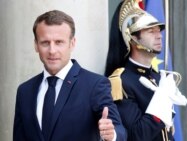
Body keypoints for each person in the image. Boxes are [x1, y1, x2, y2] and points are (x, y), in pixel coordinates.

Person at [13, 10, 127, 141]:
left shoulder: (95, 85)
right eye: (45, 43)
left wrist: (112, 135)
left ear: (72, 43)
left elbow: (119, 130)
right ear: (36, 45)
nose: (52, 51)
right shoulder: (25, 91)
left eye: (59, 42)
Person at [105, 0, 187, 141]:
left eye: (158, 31)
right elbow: (137, 135)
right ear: (132, 38)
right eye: (151, 31)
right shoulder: (121, 82)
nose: (159, 36)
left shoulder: (158, 77)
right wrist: (161, 101)